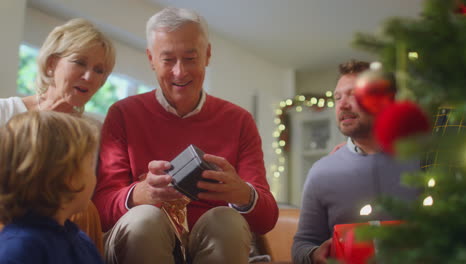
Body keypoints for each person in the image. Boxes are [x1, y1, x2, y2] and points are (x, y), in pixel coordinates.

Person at [93, 7, 278, 264]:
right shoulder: (123, 113)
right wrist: (140, 194)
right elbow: (100, 209)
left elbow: (267, 219)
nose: (180, 72)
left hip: (214, 236)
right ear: (151, 59)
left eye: (190, 58)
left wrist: (242, 193)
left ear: (207, 55)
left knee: (227, 221)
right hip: (144, 234)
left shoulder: (239, 120)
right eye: (168, 60)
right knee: (146, 219)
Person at [0, 18, 115, 253]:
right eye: (80, 63)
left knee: (86, 211)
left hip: (68, 225)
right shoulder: (6, 111)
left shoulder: (95, 132)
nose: (90, 77)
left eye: (99, 70)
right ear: (52, 64)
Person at [291, 60, 420, 264]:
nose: (342, 104)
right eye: (338, 97)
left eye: (353, 94)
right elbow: (302, 244)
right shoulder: (321, 172)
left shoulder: (424, 161)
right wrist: (314, 254)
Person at [0, 111, 103, 264]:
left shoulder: (81, 240)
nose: (95, 178)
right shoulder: (18, 249)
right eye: (90, 166)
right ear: (70, 178)